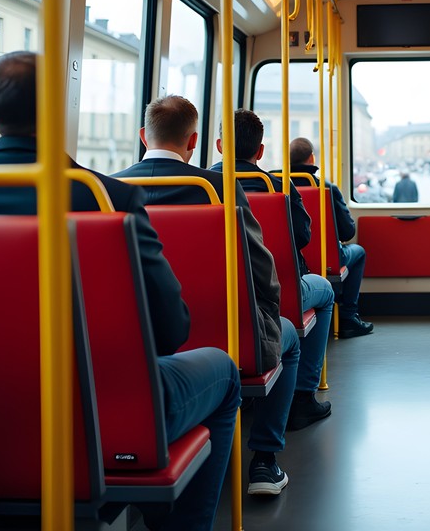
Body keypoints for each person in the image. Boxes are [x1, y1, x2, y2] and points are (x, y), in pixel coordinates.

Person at [0, 53, 239, 531]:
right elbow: (170, 330)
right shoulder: (107, 198)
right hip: (98, 416)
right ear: (62, 114)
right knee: (225, 372)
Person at [113, 95, 296, 496]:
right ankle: (264, 460)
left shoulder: (108, 190)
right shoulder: (218, 190)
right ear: (193, 141)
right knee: (291, 337)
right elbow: (261, 273)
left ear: (144, 136)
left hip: (137, 349)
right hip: (228, 333)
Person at [211, 110, 335, 431]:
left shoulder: (200, 187)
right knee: (324, 290)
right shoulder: (278, 187)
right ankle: (303, 397)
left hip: (211, 302)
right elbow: (303, 237)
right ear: (260, 151)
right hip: (276, 294)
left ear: (220, 146)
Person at [288, 137, 374, 338]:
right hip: (326, 258)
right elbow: (347, 232)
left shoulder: (276, 185)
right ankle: (348, 316)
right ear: (311, 158)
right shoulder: (325, 188)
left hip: (291, 260)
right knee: (358, 251)